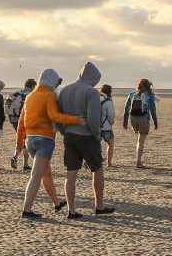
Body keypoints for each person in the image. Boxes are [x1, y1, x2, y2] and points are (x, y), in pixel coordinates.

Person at [56, 62, 114, 219]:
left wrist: (64, 130)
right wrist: (96, 135)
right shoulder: (91, 92)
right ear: (93, 77)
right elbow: (93, 119)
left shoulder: (65, 90)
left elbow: (58, 115)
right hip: (87, 136)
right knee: (97, 169)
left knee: (71, 173)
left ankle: (71, 210)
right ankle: (99, 206)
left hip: (69, 136)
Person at [20, 68, 80, 218]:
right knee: (36, 175)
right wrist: (76, 120)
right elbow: (55, 116)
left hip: (30, 139)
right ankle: (26, 210)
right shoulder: (49, 95)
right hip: (44, 140)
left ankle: (56, 203)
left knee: (46, 173)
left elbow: (22, 120)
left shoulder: (30, 96)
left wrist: (19, 142)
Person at [122, 78, 160, 168]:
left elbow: (126, 108)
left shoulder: (132, 94)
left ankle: (138, 161)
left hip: (133, 119)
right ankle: (138, 162)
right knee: (141, 141)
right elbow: (153, 110)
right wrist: (155, 123)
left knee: (139, 137)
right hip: (144, 118)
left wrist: (125, 122)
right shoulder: (150, 95)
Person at [7, 78, 35, 170]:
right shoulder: (31, 94)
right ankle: (25, 164)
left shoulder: (16, 93)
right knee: (25, 141)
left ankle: (15, 157)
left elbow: (8, 103)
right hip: (25, 120)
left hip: (14, 119)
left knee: (21, 139)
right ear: (33, 86)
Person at [99, 83, 117, 170]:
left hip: (95, 126)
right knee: (110, 144)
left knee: (94, 145)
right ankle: (109, 163)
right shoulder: (108, 101)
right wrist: (111, 123)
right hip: (106, 126)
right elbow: (111, 115)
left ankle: (90, 162)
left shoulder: (94, 99)